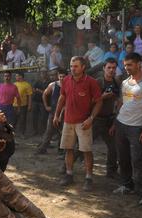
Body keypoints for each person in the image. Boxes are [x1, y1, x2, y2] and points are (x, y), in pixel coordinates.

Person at [113, 53, 142, 206]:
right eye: (125, 65)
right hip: (121, 124)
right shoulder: (125, 82)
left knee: (138, 160)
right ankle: (127, 185)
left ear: (139, 64)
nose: (126, 68)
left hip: (137, 127)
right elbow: (123, 103)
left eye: (130, 65)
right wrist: (115, 122)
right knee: (123, 158)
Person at [53, 56, 103, 191]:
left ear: (83, 67)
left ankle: (88, 178)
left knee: (86, 151)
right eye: (71, 66)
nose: (72, 69)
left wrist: (91, 118)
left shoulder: (91, 82)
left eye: (75, 66)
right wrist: (57, 115)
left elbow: (99, 101)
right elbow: (62, 97)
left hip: (83, 123)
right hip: (68, 121)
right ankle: (69, 174)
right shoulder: (67, 80)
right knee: (68, 149)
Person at [95, 58, 120, 179]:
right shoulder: (98, 82)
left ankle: (111, 171)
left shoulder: (116, 83)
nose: (111, 70)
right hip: (95, 119)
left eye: (114, 68)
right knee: (82, 146)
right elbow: (89, 101)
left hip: (109, 120)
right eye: (109, 67)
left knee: (113, 147)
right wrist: (102, 97)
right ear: (103, 68)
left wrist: (114, 122)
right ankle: (67, 168)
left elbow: (119, 103)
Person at [35, 68, 67, 155]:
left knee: (63, 132)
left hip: (65, 113)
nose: (61, 78)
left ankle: (61, 150)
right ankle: (43, 148)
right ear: (58, 76)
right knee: (49, 131)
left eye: (63, 77)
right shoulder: (53, 85)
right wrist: (46, 106)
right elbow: (44, 94)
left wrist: (61, 114)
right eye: (60, 76)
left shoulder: (69, 86)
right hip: (53, 112)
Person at [13, 72, 33, 138]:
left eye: (17, 76)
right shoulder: (14, 84)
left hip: (23, 105)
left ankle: (22, 133)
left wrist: (29, 105)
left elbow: (29, 96)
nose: (16, 77)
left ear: (21, 76)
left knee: (22, 120)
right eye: (16, 76)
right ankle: (13, 133)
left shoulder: (27, 85)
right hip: (14, 105)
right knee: (13, 120)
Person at [32, 68, 50, 136]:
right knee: (34, 117)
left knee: (43, 118)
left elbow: (47, 93)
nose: (43, 74)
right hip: (35, 101)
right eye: (42, 72)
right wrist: (41, 91)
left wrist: (39, 91)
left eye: (44, 72)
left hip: (43, 102)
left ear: (46, 73)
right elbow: (33, 89)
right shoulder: (37, 81)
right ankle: (35, 131)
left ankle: (43, 132)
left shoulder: (49, 82)